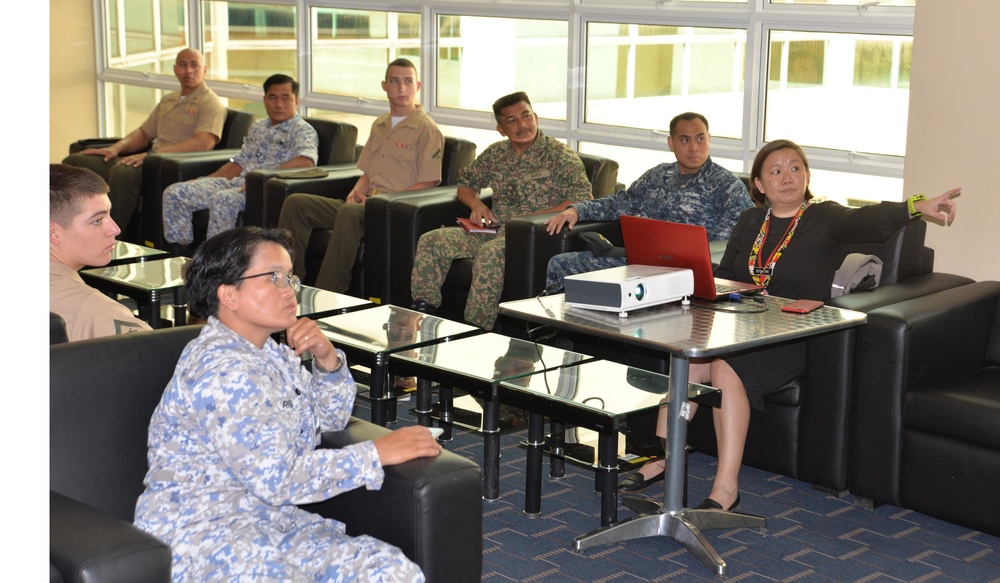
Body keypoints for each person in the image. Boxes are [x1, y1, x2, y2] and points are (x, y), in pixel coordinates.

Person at [617, 139, 960, 506]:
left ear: (807, 175)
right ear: (760, 185)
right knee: (688, 361)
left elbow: (871, 219)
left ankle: (726, 489)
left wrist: (917, 205)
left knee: (724, 369)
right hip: (742, 325)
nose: (787, 177)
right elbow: (728, 273)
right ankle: (664, 459)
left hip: (796, 333)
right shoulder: (750, 221)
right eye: (776, 171)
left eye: (795, 168)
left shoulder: (824, 217)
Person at [133, 226, 440, 581]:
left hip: (273, 522)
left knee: (389, 571)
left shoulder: (268, 353)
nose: (289, 291)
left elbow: (330, 419)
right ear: (228, 294)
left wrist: (327, 360)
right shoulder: (222, 370)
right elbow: (277, 479)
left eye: (290, 278)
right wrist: (376, 453)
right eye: (274, 277)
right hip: (205, 533)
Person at [410, 91, 592, 330]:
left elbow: (582, 198)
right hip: (495, 230)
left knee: (490, 254)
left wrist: (530, 219)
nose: (522, 124)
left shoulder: (559, 156)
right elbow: (465, 184)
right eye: (512, 120)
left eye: (526, 116)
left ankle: (476, 329)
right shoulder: (496, 154)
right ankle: (422, 316)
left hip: (533, 237)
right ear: (501, 128)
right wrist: (477, 205)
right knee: (432, 240)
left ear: (535, 117)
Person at [277, 58, 444, 292]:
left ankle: (327, 294)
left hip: (390, 212)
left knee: (350, 211)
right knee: (296, 203)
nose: (402, 88)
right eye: (395, 81)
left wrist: (379, 203)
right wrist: (354, 193)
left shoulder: (427, 130)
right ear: (384, 86)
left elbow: (427, 184)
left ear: (418, 86)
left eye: (408, 82)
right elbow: (367, 173)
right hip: (363, 206)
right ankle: (289, 282)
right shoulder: (380, 124)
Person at [542, 112, 752, 292]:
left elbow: (738, 236)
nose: (694, 147)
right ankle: (562, 335)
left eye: (700, 139)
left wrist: (680, 248)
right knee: (561, 264)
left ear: (709, 139)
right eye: (685, 140)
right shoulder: (658, 175)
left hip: (684, 272)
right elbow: (620, 203)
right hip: (638, 262)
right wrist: (577, 211)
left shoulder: (727, 186)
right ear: (671, 143)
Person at [62, 48, 226, 234]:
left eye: (194, 65)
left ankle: (109, 236)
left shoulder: (210, 103)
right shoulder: (168, 100)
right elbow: (144, 134)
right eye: (183, 65)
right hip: (149, 157)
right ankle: (68, 226)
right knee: (75, 162)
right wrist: (115, 149)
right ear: (175, 70)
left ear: (204, 70)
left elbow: (203, 143)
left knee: (123, 172)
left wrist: (152, 156)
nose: (188, 70)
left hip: (166, 165)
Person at [162, 73, 318, 255]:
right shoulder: (258, 127)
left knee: (223, 199)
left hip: (262, 189)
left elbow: (305, 161)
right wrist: (204, 180)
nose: (279, 104)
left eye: (286, 98)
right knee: (175, 192)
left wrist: (259, 178)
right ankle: (181, 254)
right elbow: (239, 162)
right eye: (273, 98)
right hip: (236, 182)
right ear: (264, 100)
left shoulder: (302, 130)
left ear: (296, 102)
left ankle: (215, 260)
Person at [49, 164, 152, 341]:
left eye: (110, 215)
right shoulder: (93, 310)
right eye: (97, 220)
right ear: (52, 233)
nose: (115, 229)